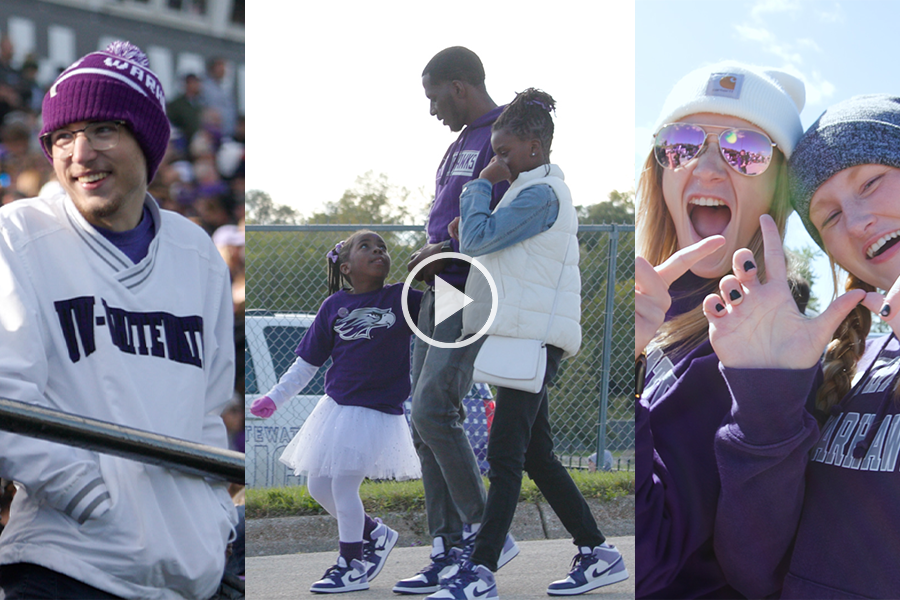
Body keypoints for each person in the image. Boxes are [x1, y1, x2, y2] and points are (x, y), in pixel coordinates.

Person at [0, 41, 238, 600]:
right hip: (67, 563)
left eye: (104, 129)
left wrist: (212, 522)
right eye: (62, 136)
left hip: (187, 573)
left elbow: (207, 412)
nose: (80, 153)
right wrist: (90, 500)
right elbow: (7, 396)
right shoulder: (18, 233)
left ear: (147, 141)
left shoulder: (195, 249)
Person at [432, 88, 629, 600]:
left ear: (535, 148)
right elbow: (488, 246)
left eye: (505, 151)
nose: (498, 160)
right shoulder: (529, 192)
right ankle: (597, 551)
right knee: (537, 454)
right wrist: (472, 223)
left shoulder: (541, 194)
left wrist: (478, 185)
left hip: (532, 340)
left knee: (505, 455)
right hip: (522, 337)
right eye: (495, 152)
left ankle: (480, 571)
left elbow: (477, 242)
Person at [702, 94, 900, 600]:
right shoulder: (848, 370)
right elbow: (753, 570)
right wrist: (768, 393)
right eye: (828, 217)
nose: (856, 222)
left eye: (872, 182)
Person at [634, 62, 806, 599]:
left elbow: (647, 561)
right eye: (682, 143)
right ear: (659, 170)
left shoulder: (754, 342)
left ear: (779, 187)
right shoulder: (646, 300)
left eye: (745, 150)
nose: (707, 169)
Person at [396, 46, 516, 595]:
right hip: (439, 283)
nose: (431, 109)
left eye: (433, 96)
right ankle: (445, 546)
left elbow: (500, 219)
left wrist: (444, 245)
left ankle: (484, 531)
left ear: (460, 87)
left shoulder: (506, 134)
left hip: (469, 283)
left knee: (432, 405)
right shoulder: (457, 143)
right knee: (420, 420)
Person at [250, 230, 423, 594]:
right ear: (346, 267)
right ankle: (376, 533)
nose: (378, 250)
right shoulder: (332, 308)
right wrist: (275, 397)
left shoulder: (402, 298)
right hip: (336, 409)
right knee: (318, 485)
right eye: (366, 247)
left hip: (376, 411)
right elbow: (305, 366)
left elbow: (454, 308)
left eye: (383, 247)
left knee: (344, 484)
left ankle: (351, 565)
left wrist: (441, 268)